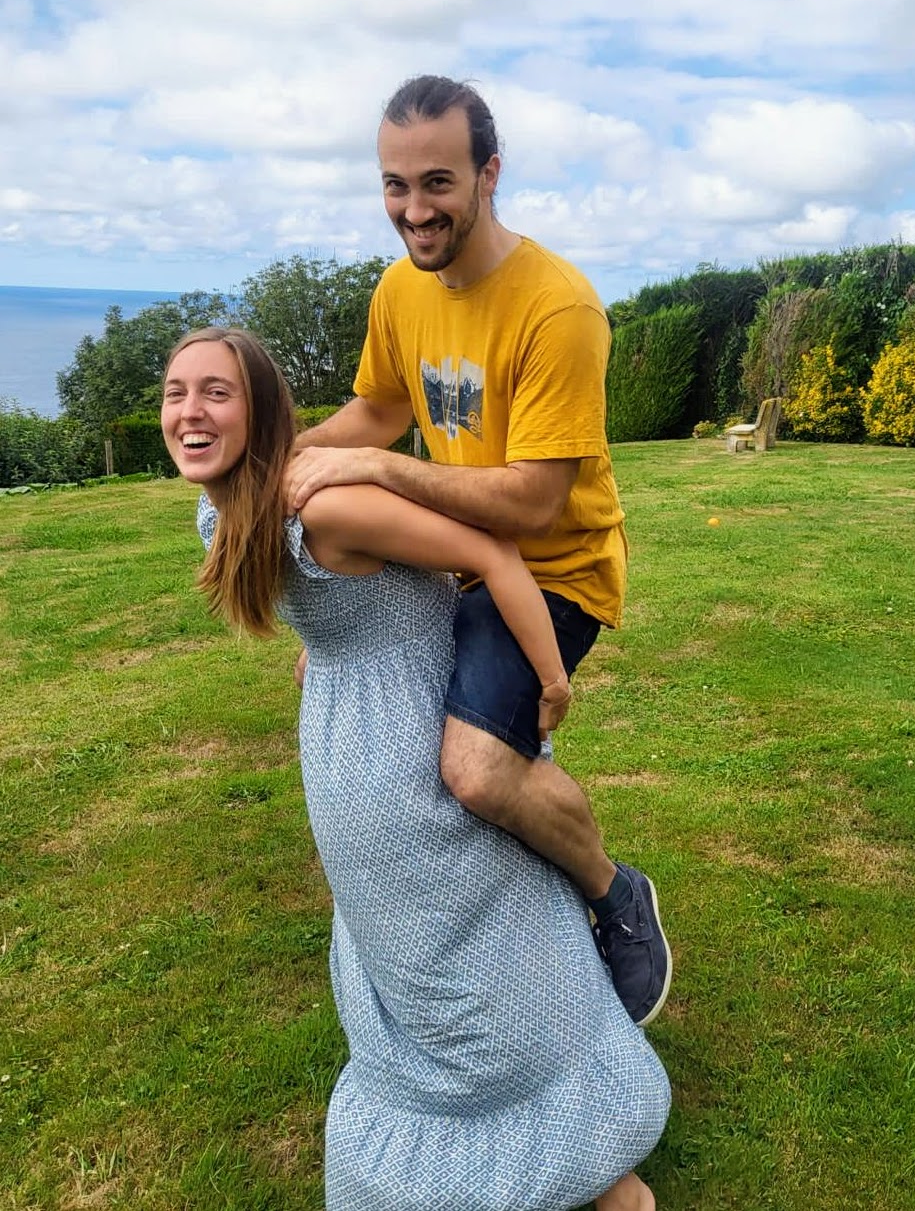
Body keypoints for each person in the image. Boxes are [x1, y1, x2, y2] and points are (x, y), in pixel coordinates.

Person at [161, 326, 670, 1211]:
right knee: (456, 948)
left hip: (384, 743)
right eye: (176, 392)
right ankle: (572, 1154)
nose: (189, 412)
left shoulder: (309, 506)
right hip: (371, 747)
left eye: (216, 392)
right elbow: (383, 588)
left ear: (262, 411)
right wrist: (337, 643)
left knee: (458, 953)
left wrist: (549, 678)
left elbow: (489, 555)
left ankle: (584, 1165)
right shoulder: (245, 508)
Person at [286, 74, 671, 1026]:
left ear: (489, 174)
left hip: (555, 569)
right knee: (361, 702)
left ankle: (613, 893)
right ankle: (495, 924)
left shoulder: (557, 308)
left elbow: (534, 503)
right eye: (395, 185)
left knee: (476, 770)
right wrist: (280, 461)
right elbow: (379, 408)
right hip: (457, 554)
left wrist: (377, 470)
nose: (414, 211)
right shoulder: (400, 289)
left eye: (437, 183)